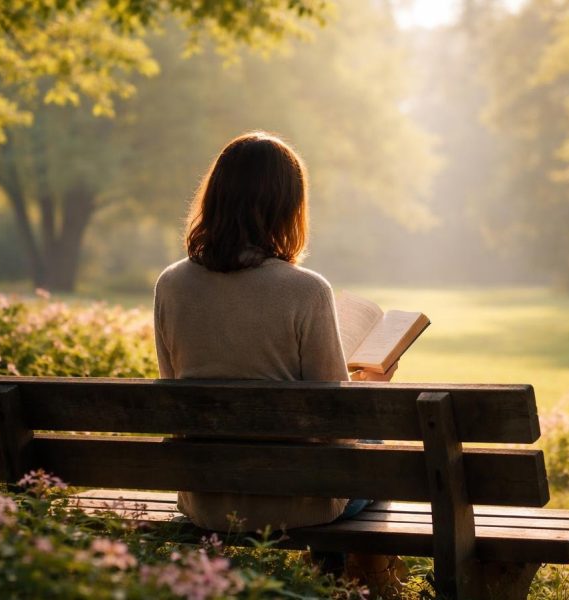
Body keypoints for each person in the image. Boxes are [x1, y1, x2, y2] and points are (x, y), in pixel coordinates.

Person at [152, 131, 405, 591]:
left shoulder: (171, 285)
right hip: (302, 503)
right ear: (287, 206)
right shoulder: (305, 290)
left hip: (205, 497)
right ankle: (369, 582)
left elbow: (174, 391)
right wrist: (375, 386)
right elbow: (335, 422)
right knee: (373, 447)